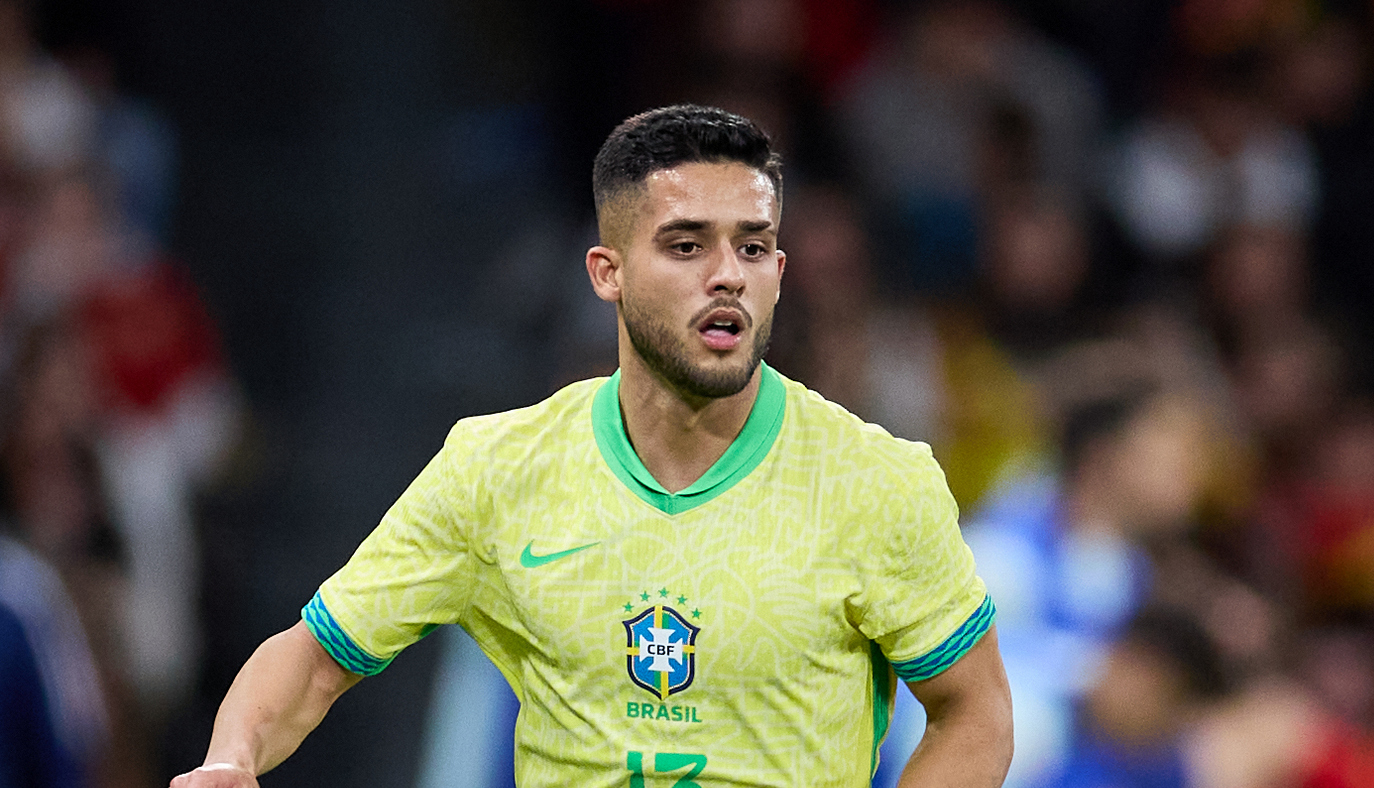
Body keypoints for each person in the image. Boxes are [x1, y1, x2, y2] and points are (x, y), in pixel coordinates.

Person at [169, 104, 1013, 788]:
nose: (728, 273)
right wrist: (231, 758)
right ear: (607, 272)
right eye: (687, 245)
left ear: (779, 272)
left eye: (752, 247)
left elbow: (975, 713)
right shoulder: (498, 469)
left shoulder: (879, 481)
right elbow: (316, 659)